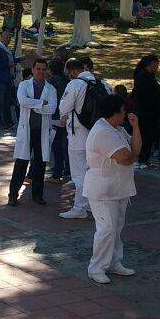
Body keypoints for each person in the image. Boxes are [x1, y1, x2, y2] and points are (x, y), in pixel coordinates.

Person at [84, 93, 140, 284]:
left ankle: (114, 262)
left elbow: (137, 149)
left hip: (119, 187)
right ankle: (96, 267)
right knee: (106, 229)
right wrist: (133, 155)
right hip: (102, 189)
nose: (125, 114)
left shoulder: (118, 130)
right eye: (123, 111)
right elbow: (125, 158)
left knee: (116, 228)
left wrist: (136, 126)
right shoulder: (102, 132)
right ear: (114, 113)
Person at [58, 57, 111, 220]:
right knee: (94, 171)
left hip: (78, 135)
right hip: (98, 134)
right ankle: (91, 204)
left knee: (79, 174)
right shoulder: (102, 84)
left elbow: (64, 107)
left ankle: (79, 207)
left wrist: (64, 115)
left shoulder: (75, 84)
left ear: (73, 71)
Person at [9, 58, 57, 206]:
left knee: (40, 164)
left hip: (42, 131)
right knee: (21, 163)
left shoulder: (51, 89)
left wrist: (34, 105)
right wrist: (41, 103)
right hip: (27, 130)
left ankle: (37, 195)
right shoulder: (24, 85)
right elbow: (22, 101)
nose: (41, 72)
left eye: (43, 69)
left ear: (46, 71)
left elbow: (52, 108)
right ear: (33, 69)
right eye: (38, 69)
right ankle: (13, 195)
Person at [131, 55, 160, 168]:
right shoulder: (143, 77)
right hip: (145, 112)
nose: (157, 67)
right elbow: (144, 96)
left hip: (148, 112)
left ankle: (143, 158)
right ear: (151, 64)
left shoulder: (148, 76)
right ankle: (141, 159)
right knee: (144, 135)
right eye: (156, 64)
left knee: (147, 136)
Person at [46, 58, 70, 183]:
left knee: (56, 145)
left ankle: (57, 172)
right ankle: (66, 168)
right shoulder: (67, 81)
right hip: (66, 116)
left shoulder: (50, 82)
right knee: (65, 143)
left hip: (55, 116)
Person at [0, 30, 17, 128]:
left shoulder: (6, 49)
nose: (8, 39)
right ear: (1, 38)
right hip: (0, 80)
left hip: (7, 79)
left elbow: (11, 61)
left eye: (9, 37)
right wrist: (7, 65)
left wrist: (20, 59)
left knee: (7, 102)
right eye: (6, 37)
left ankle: (7, 121)